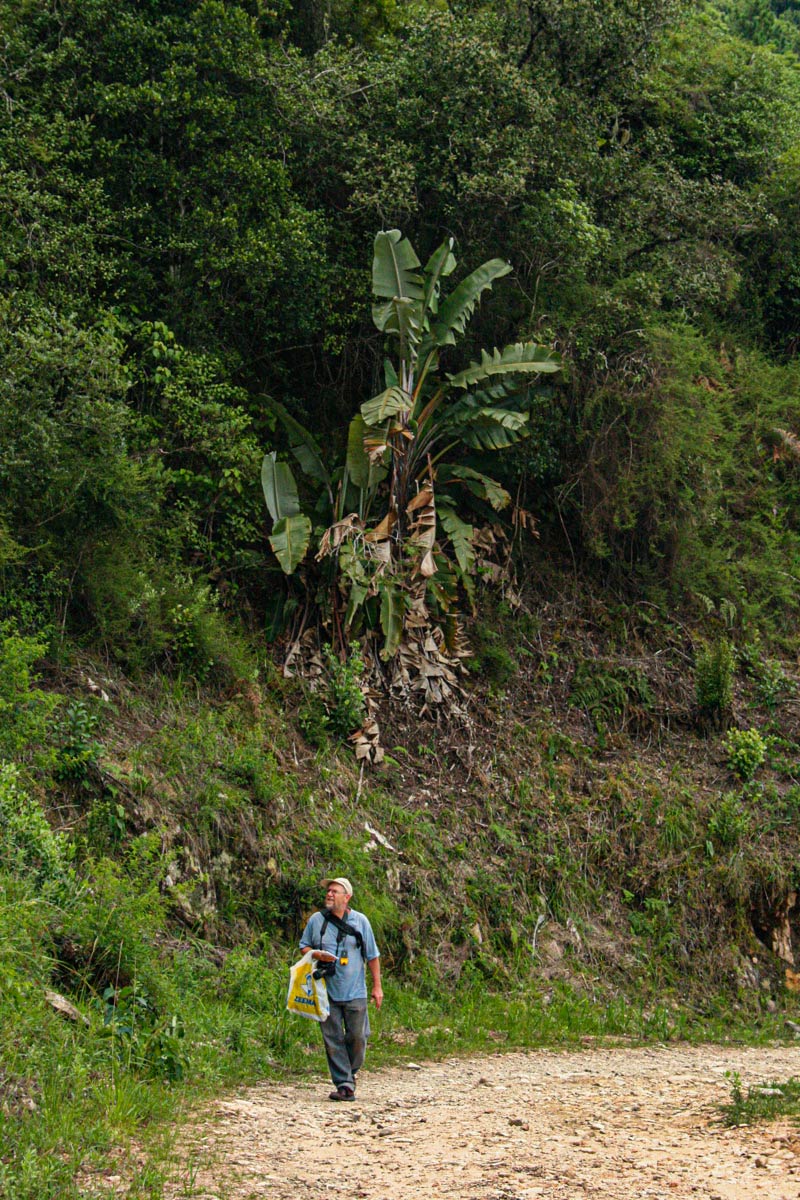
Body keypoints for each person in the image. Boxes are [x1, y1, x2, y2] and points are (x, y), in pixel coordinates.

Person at [300, 876, 383, 1101]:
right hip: (326, 991)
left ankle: (349, 1073)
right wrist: (316, 954)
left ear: (346, 897)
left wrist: (377, 987)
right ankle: (344, 1084)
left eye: (335, 891)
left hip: (355, 991)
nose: (329, 894)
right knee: (332, 1039)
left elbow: (372, 956)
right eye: (328, 891)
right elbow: (304, 946)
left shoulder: (361, 922)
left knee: (358, 1036)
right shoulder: (316, 921)